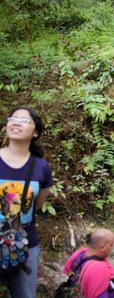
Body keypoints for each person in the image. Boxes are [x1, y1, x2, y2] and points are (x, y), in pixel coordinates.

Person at [0, 106, 53, 298]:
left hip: (25, 243)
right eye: (13, 118)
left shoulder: (41, 167)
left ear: (36, 132)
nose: (16, 122)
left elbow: (36, 206)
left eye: (24, 120)